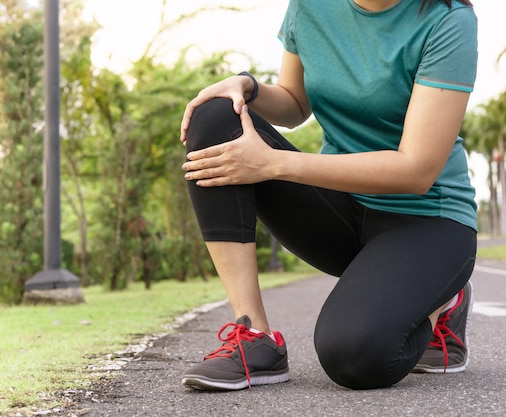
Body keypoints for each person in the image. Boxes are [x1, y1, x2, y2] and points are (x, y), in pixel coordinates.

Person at [179, 0, 477, 391]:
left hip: (429, 220)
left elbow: (416, 170)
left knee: (354, 356)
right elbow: (294, 102)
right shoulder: (311, 5)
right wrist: (248, 86)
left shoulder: (448, 19)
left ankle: (442, 301)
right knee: (217, 113)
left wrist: (271, 164)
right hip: (341, 207)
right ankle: (253, 334)